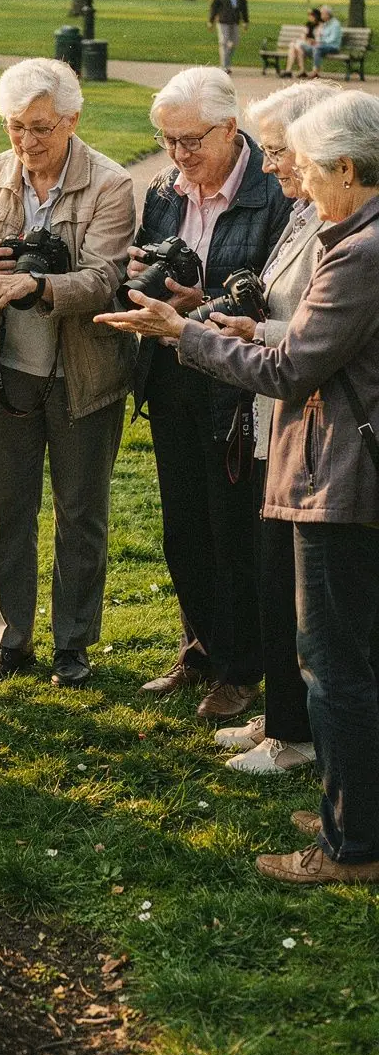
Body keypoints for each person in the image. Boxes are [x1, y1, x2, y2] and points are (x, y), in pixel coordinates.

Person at [96, 88, 379, 884]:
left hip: (341, 476)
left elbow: (291, 370)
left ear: (349, 169)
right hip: (344, 469)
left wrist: (181, 333)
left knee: (335, 663)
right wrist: (237, 324)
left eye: (311, 169)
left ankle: (350, 847)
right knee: (353, 655)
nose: (299, 183)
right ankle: (351, 808)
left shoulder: (359, 249)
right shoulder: (355, 232)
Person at [0, 58, 136, 689]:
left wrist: (35, 283)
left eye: (41, 127)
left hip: (82, 372)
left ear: (72, 120)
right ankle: (10, 641)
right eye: (15, 127)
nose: (27, 142)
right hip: (4, 369)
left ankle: (73, 644)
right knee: (5, 512)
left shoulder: (110, 185)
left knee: (80, 511)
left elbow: (104, 279)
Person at [128, 68, 293, 722]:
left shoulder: (270, 193)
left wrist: (204, 305)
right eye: (167, 141)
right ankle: (198, 646)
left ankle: (241, 666)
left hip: (236, 380)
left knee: (233, 529)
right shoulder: (165, 191)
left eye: (190, 140)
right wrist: (141, 277)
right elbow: (150, 263)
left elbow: (273, 294)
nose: (178, 155)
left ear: (230, 128)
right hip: (170, 372)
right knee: (182, 526)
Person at [211, 81, 340, 773]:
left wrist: (254, 329)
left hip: (309, 431)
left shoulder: (336, 226)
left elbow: (325, 334)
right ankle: (283, 718)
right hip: (273, 422)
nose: (268, 166)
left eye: (279, 151)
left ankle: (295, 737)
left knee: (301, 593)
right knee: (273, 578)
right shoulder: (301, 215)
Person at [208, 0, 249, 74]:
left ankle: (226, 63)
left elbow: (244, 5)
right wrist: (211, 20)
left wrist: (245, 21)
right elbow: (214, 4)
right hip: (223, 19)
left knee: (234, 42)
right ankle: (224, 67)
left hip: (235, 20)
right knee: (223, 42)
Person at [294, 4, 342, 78]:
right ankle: (302, 70)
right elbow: (320, 36)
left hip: (333, 47)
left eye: (322, 14)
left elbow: (333, 39)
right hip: (321, 46)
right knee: (302, 46)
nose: (320, 15)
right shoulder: (325, 23)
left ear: (327, 15)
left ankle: (315, 71)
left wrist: (319, 42)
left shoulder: (335, 24)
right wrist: (314, 41)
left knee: (317, 48)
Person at [282, 8, 322, 78]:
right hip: (305, 44)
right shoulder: (308, 24)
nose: (309, 16)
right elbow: (303, 35)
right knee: (293, 47)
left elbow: (319, 39)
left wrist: (310, 40)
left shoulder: (320, 26)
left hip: (313, 47)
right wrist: (303, 39)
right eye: (309, 15)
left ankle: (297, 70)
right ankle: (290, 70)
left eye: (311, 15)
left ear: (316, 16)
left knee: (296, 47)